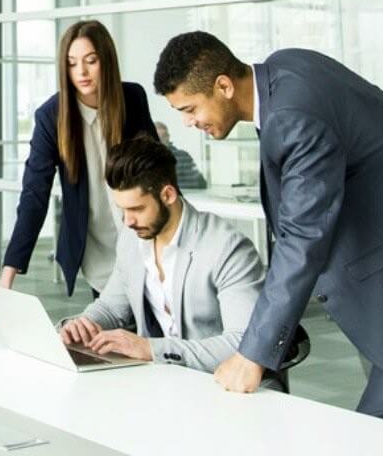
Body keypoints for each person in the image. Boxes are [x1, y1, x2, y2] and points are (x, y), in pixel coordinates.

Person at [152, 31, 383, 426]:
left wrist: (253, 354)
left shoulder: (292, 116)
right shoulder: (287, 66)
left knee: (376, 434)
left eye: (190, 108)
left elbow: (301, 239)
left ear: (224, 86)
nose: (188, 122)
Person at [0, 20, 157, 325]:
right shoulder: (51, 117)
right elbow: (34, 196)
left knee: (156, 333)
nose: (81, 72)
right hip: (99, 253)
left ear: (106, 60)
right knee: (117, 340)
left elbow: (156, 171)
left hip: (145, 241)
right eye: (71, 63)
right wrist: (6, 283)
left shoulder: (132, 99)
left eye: (90, 61)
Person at [59, 136, 275, 387]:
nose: (127, 221)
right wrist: (82, 325)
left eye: (137, 209)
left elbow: (244, 343)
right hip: (164, 386)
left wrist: (151, 349)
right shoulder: (132, 239)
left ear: (168, 195)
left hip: (224, 387)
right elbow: (111, 307)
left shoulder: (227, 248)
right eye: (122, 210)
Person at [154, 121, 206, 189]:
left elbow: (199, 183)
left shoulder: (182, 156)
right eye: (158, 137)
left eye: (164, 136)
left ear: (168, 137)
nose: (161, 140)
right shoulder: (144, 159)